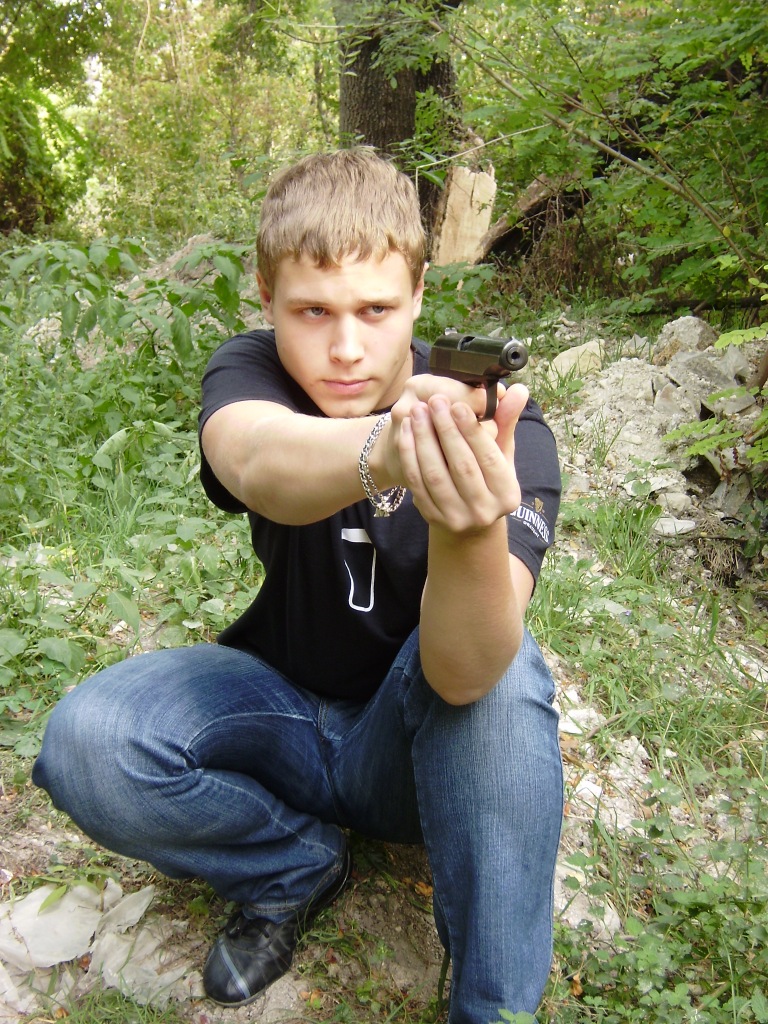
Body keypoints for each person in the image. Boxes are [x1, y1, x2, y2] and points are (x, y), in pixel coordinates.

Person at [32, 147, 563, 1023]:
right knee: (91, 741)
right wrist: (388, 448)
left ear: (420, 294)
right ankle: (291, 863)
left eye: (376, 310)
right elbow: (254, 458)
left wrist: (468, 527)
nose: (345, 348)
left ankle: (493, 1012)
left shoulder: (509, 427)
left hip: (412, 745)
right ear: (266, 295)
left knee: (507, 675)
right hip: (279, 706)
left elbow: (465, 674)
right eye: (312, 310)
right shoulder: (253, 369)